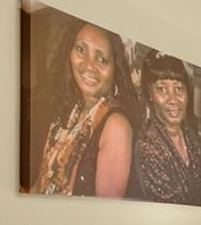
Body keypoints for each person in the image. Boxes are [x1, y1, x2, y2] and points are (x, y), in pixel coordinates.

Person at [32, 14, 137, 197]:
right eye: (81, 49)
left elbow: (105, 216)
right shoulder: (65, 114)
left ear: (115, 70)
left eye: (102, 59)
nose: (89, 66)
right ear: (69, 53)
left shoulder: (116, 127)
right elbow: (39, 184)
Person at [130, 53, 201, 205]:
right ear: (150, 94)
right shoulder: (147, 146)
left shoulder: (191, 135)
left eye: (178, 88)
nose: (173, 99)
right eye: (162, 89)